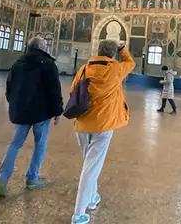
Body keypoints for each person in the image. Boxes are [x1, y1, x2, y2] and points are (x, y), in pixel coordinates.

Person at [70, 40, 135, 224]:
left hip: (82, 123)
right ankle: (79, 213)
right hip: (103, 125)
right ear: (113, 55)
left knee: (90, 164)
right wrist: (123, 48)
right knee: (91, 167)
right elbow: (131, 63)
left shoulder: (84, 68)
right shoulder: (116, 69)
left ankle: (92, 198)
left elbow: (73, 90)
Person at [0, 36, 63, 198]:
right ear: (41, 48)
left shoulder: (18, 63)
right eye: (45, 45)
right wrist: (57, 112)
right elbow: (54, 90)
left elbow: (9, 88)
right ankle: (32, 178)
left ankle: (2, 179)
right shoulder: (47, 64)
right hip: (41, 113)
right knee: (40, 144)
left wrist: (15, 105)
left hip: (22, 111)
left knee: (15, 144)